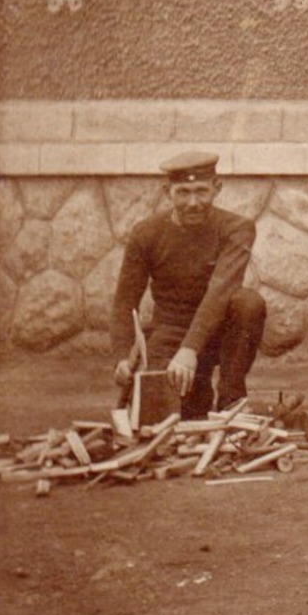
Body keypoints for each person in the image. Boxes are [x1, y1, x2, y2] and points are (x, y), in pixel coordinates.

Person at [110, 151, 267, 419]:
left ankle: (231, 398)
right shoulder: (146, 233)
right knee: (166, 415)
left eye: (201, 191)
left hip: (219, 334)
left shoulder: (237, 228)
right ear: (167, 191)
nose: (193, 202)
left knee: (248, 303)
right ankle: (197, 391)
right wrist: (123, 356)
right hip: (170, 333)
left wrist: (190, 350)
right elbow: (125, 300)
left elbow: (221, 291)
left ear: (217, 189)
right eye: (183, 192)